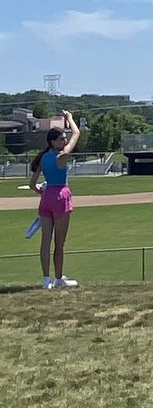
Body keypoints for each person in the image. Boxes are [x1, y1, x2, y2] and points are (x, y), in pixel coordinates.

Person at [29, 111, 81, 290]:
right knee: (59, 242)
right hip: (61, 197)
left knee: (45, 242)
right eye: (61, 139)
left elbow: (32, 184)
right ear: (53, 141)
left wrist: (43, 192)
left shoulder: (43, 157)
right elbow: (77, 134)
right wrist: (70, 119)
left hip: (47, 197)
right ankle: (58, 278)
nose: (65, 142)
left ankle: (46, 279)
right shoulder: (61, 157)